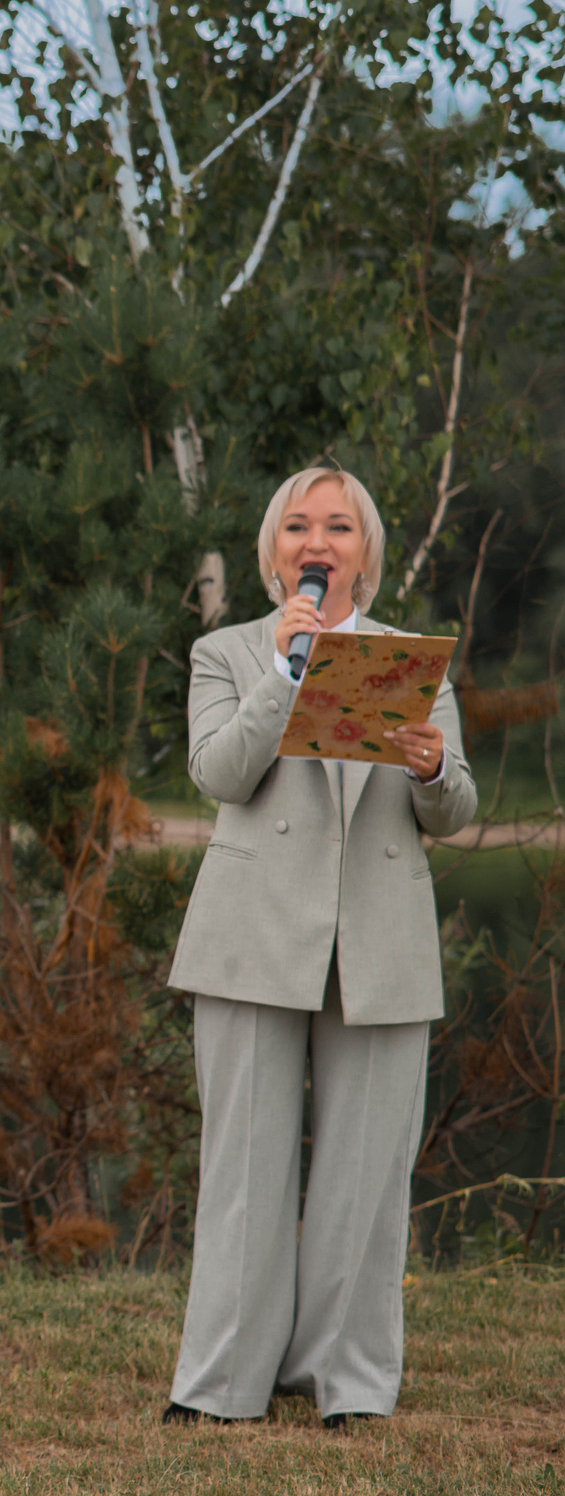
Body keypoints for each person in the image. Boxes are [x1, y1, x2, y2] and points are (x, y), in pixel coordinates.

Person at [163, 465, 475, 1430]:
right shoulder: (226, 652)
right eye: (299, 526)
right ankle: (221, 1387)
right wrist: (283, 674)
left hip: (378, 939)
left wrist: (430, 766)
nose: (318, 541)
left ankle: (352, 1384)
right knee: (245, 1170)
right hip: (254, 936)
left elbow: (456, 807)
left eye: (339, 526)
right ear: (274, 552)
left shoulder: (413, 662)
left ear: (364, 553)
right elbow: (218, 770)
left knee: (365, 1178)